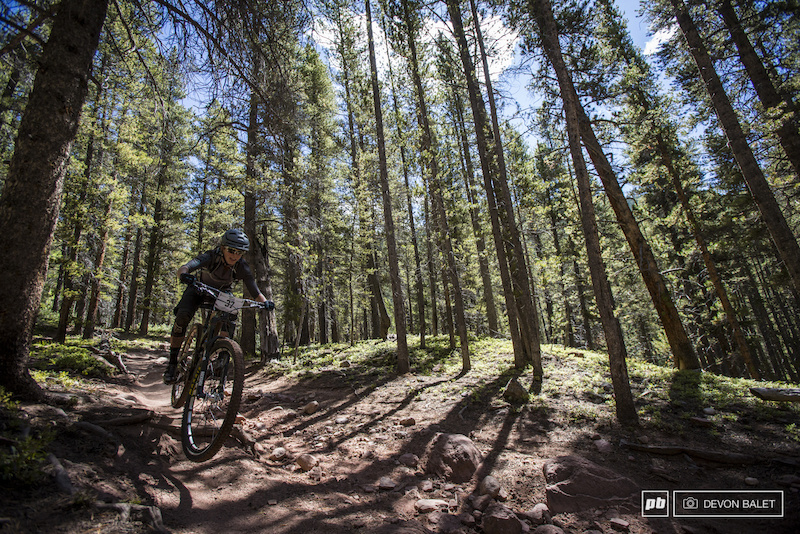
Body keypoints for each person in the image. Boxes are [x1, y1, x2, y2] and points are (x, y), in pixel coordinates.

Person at [163, 229, 272, 384]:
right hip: (197, 290)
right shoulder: (210, 256)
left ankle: (222, 358)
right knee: (182, 317)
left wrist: (266, 303)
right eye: (232, 250)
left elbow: (255, 291)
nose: (235, 255)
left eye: (239, 252)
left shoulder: (241, 266)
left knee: (231, 315)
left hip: (220, 294)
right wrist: (184, 275)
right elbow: (185, 267)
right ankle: (172, 363)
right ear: (223, 248)